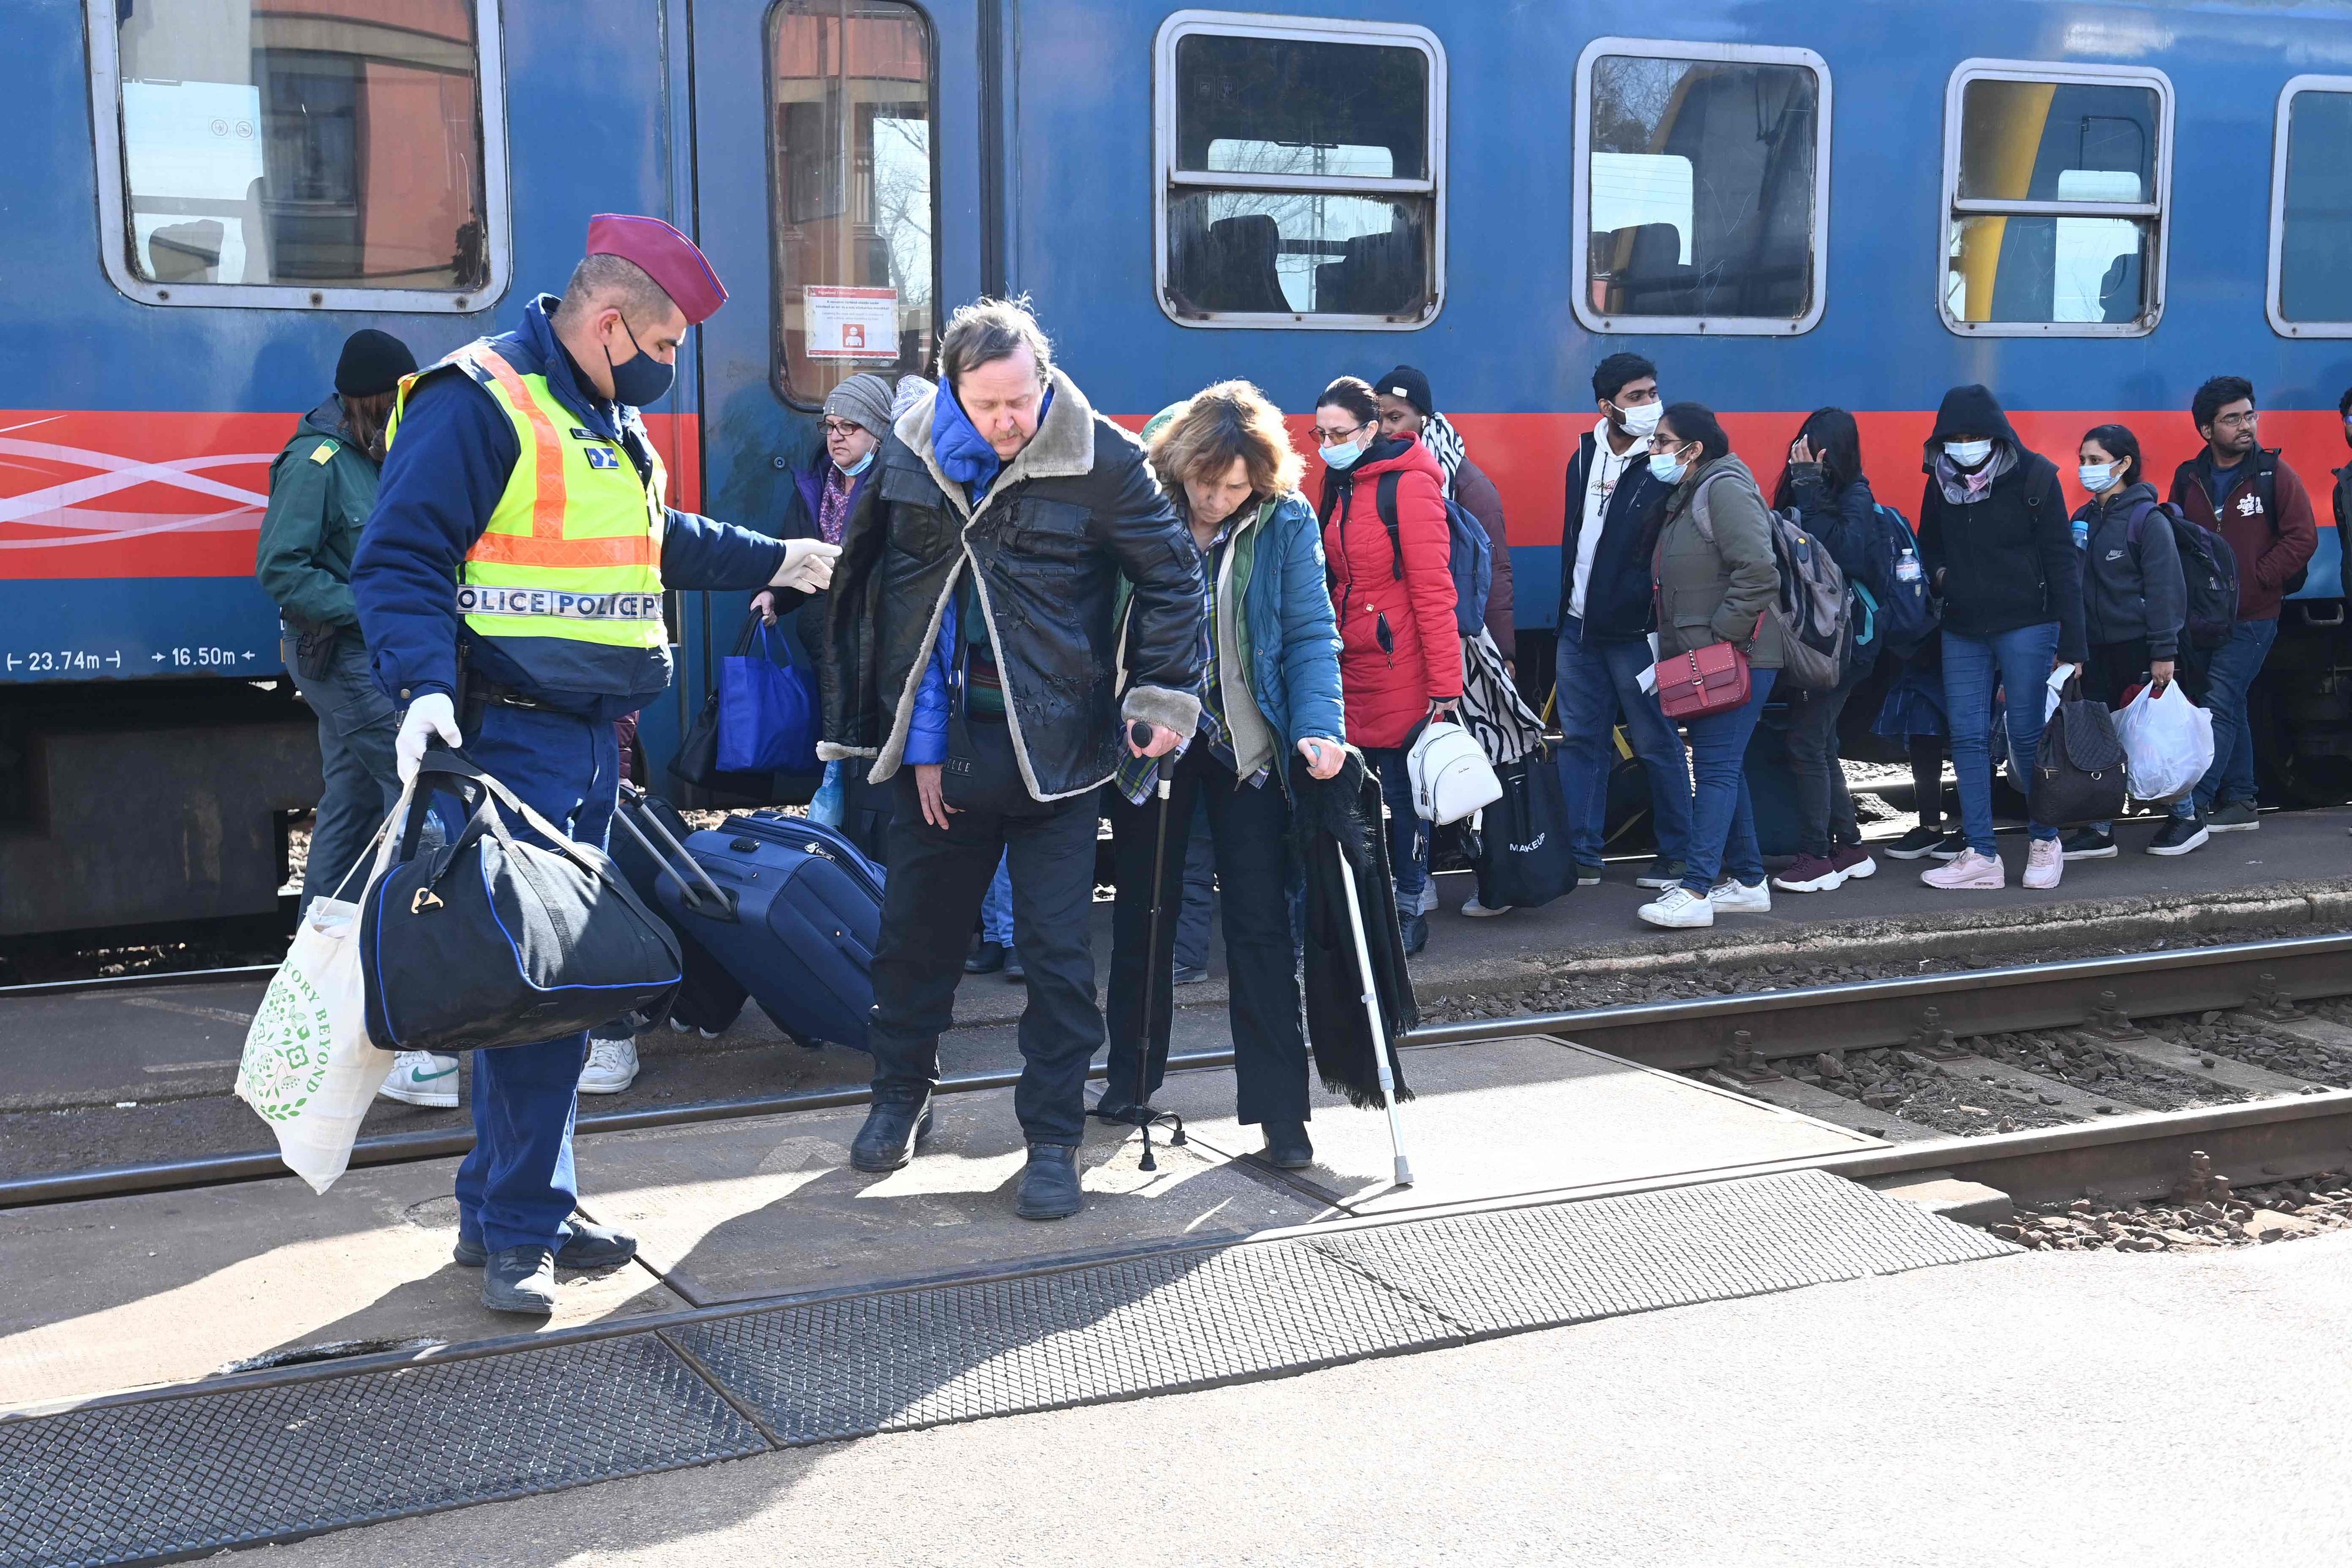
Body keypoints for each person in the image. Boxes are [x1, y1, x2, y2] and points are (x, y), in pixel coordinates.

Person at [352, 215, 840, 1313]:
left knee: (555, 978)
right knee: (539, 981)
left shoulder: (602, 416)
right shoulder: (479, 400)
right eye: (664, 342)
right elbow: (401, 557)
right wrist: (423, 684)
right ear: (611, 322)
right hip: (509, 732)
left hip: (583, 736)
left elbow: (649, 540)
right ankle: (524, 1226)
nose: (672, 365)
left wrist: (782, 556)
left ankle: (510, 1202)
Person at [818, 297, 1202, 1223]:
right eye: (988, 405)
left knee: (1059, 959)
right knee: (913, 941)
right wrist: (894, 734)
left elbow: (1173, 576)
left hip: (1060, 759)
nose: (1008, 422)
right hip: (938, 756)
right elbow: (869, 588)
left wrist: (1157, 697)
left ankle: (1054, 1137)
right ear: (952, 389)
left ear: (1045, 377)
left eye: (1022, 400)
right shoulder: (908, 454)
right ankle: (899, 1096)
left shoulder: (1104, 458)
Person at [1095, 383, 1345, 1170]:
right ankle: (1130, 1080)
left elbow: (1309, 633)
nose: (1216, 498)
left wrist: (1318, 726)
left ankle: (1282, 1115)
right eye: (1205, 481)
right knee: (1146, 913)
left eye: (1235, 486)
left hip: (1247, 747)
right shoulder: (1143, 504)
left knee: (1261, 926)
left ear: (1260, 479)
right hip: (1154, 742)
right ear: (1181, 463)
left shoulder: (1286, 518)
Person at [1915, 385, 2083, 892]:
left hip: (2029, 625)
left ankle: (2044, 840)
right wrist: (1944, 577)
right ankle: (1981, 853)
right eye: (1955, 437)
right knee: (1965, 737)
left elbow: (2061, 562)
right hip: (1963, 627)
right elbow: (1929, 544)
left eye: (1975, 436)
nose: (1965, 446)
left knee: (2027, 737)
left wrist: (2074, 647)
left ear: (1998, 435)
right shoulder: (1940, 481)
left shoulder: (2036, 477)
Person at [1314, 375, 1459, 955]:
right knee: (1352, 792)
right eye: (1320, 432)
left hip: (1401, 665)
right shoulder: (1337, 481)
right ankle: (1363, 902)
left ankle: (1407, 906)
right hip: (1348, 662)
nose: (1327, 443)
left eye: (1339, 432)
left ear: (1372, 429)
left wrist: (1445, 687)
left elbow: (1434, 591)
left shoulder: (1409, 487)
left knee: (1402, 795)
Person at [1372, 365, 1518, 920]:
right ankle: (1424, 877)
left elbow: (1496, 571)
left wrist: (1503, 650)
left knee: (1468, 765)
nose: (1387, 427)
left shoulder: (1465, 482)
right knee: (1421, 769)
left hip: (1469, 647)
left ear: (1422, 419)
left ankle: (1496, 878)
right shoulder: (1378, 475)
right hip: (1416, 647)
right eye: (1380, 415)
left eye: (1397, 417)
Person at [1635, 404, 1782, 930]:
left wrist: (1723, 636)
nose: (1654, 450)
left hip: (1733, 658)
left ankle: (1697, 888)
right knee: (1726, 767)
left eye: (1662, 441)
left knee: (1716, 770)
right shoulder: (1691, 493)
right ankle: (1746, 880)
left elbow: (1760, 571)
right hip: (1707, 661)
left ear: (1693, 448)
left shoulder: (1722, 488)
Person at [1555, 353, 1690, 892]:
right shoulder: (1583, 457)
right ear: (1606, 406)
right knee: (1582, 740)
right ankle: (1581, 855)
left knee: (1657, 739)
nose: (1650, 405)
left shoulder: (1662, 463)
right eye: (1637, 397)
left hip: (1637, 633)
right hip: (1578, 625)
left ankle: (1678, 853)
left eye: (1653, 393)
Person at [2167, 376, 2318, 833]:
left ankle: (2192, 808)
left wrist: (2256, 581)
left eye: (2250, 415)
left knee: (2217, 702)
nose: (2246, 425)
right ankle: (2241, 801)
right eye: (2232, 419)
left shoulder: (2274, 475)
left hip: (2255, 615)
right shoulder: (2187, 478)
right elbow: (2174, 538)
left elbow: (2303, 537)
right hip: (2204, 618)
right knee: (2229, 704)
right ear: (2207, 430)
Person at [2066, 424, 2202, 858]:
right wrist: (2075, 648)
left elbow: (2166, 588)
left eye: (2095, 460)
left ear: (2123, 464)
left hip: (2138, 646)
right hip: (2096, 649)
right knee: (2100, 738)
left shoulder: (2148, 520)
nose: (2085, 469)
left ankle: (2186, 817)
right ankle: (2101, 828)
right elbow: (2073, 586)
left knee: (2149, 739)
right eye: (2083, 460)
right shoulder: (2083, 519)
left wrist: (2164, 651)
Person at [1770, 408, 1880, 894]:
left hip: (1844, 641)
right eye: (1800, 445)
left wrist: (1810, 487)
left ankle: (1817, 856)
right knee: (1822, 742)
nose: (1804, 455)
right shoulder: (1799, 486)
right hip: (1810, 634)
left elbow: (1845, 553)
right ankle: (1851, 847)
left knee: (1806, 743)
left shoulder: (1856, 493)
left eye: (1814, 449)